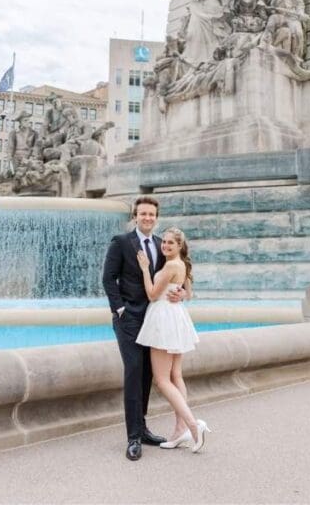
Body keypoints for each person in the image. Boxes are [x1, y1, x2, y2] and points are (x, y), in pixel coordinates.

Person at [101, 196, 189, 461]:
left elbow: (179, 275)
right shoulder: (121, 242)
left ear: (156, 217)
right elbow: (108, 279)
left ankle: (143, 428)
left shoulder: (164, 243)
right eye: (143, 214)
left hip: (154, 319)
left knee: (148, 373)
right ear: (135, 216)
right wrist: (120, 310)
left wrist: (182, 293)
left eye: (152, 214)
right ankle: (133, 437)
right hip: (129, 318)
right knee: (134, 371)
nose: (148, 218)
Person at [135, 227, 209, 453]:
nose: (165, 246)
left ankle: (193, 426)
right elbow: (190, 292)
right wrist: (183, 294)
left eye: (170, 243)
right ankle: (179, 432)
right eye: (164, 242)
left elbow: (152, 294)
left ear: (179, 246)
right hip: (176, 318)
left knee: (162, 379)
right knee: (176, 375)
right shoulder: (183, 264)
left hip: (163, 319)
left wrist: (145, 269)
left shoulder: (170, 266)